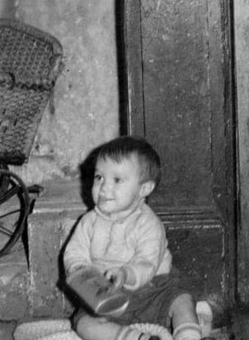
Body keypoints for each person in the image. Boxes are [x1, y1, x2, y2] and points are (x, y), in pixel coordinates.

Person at [64, 136, 212, 340]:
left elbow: (148, 262)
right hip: (106, 296)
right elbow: (75, 252)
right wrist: (80, 271)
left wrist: (126, 274)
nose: (104, 187)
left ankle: (188, 334)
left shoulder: (149, 223)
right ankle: (136, 338)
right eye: (99, 177)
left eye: (117, 180)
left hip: (153, 290)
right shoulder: (88, 222)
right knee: (83, 324)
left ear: (144, 189)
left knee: (181, 299)